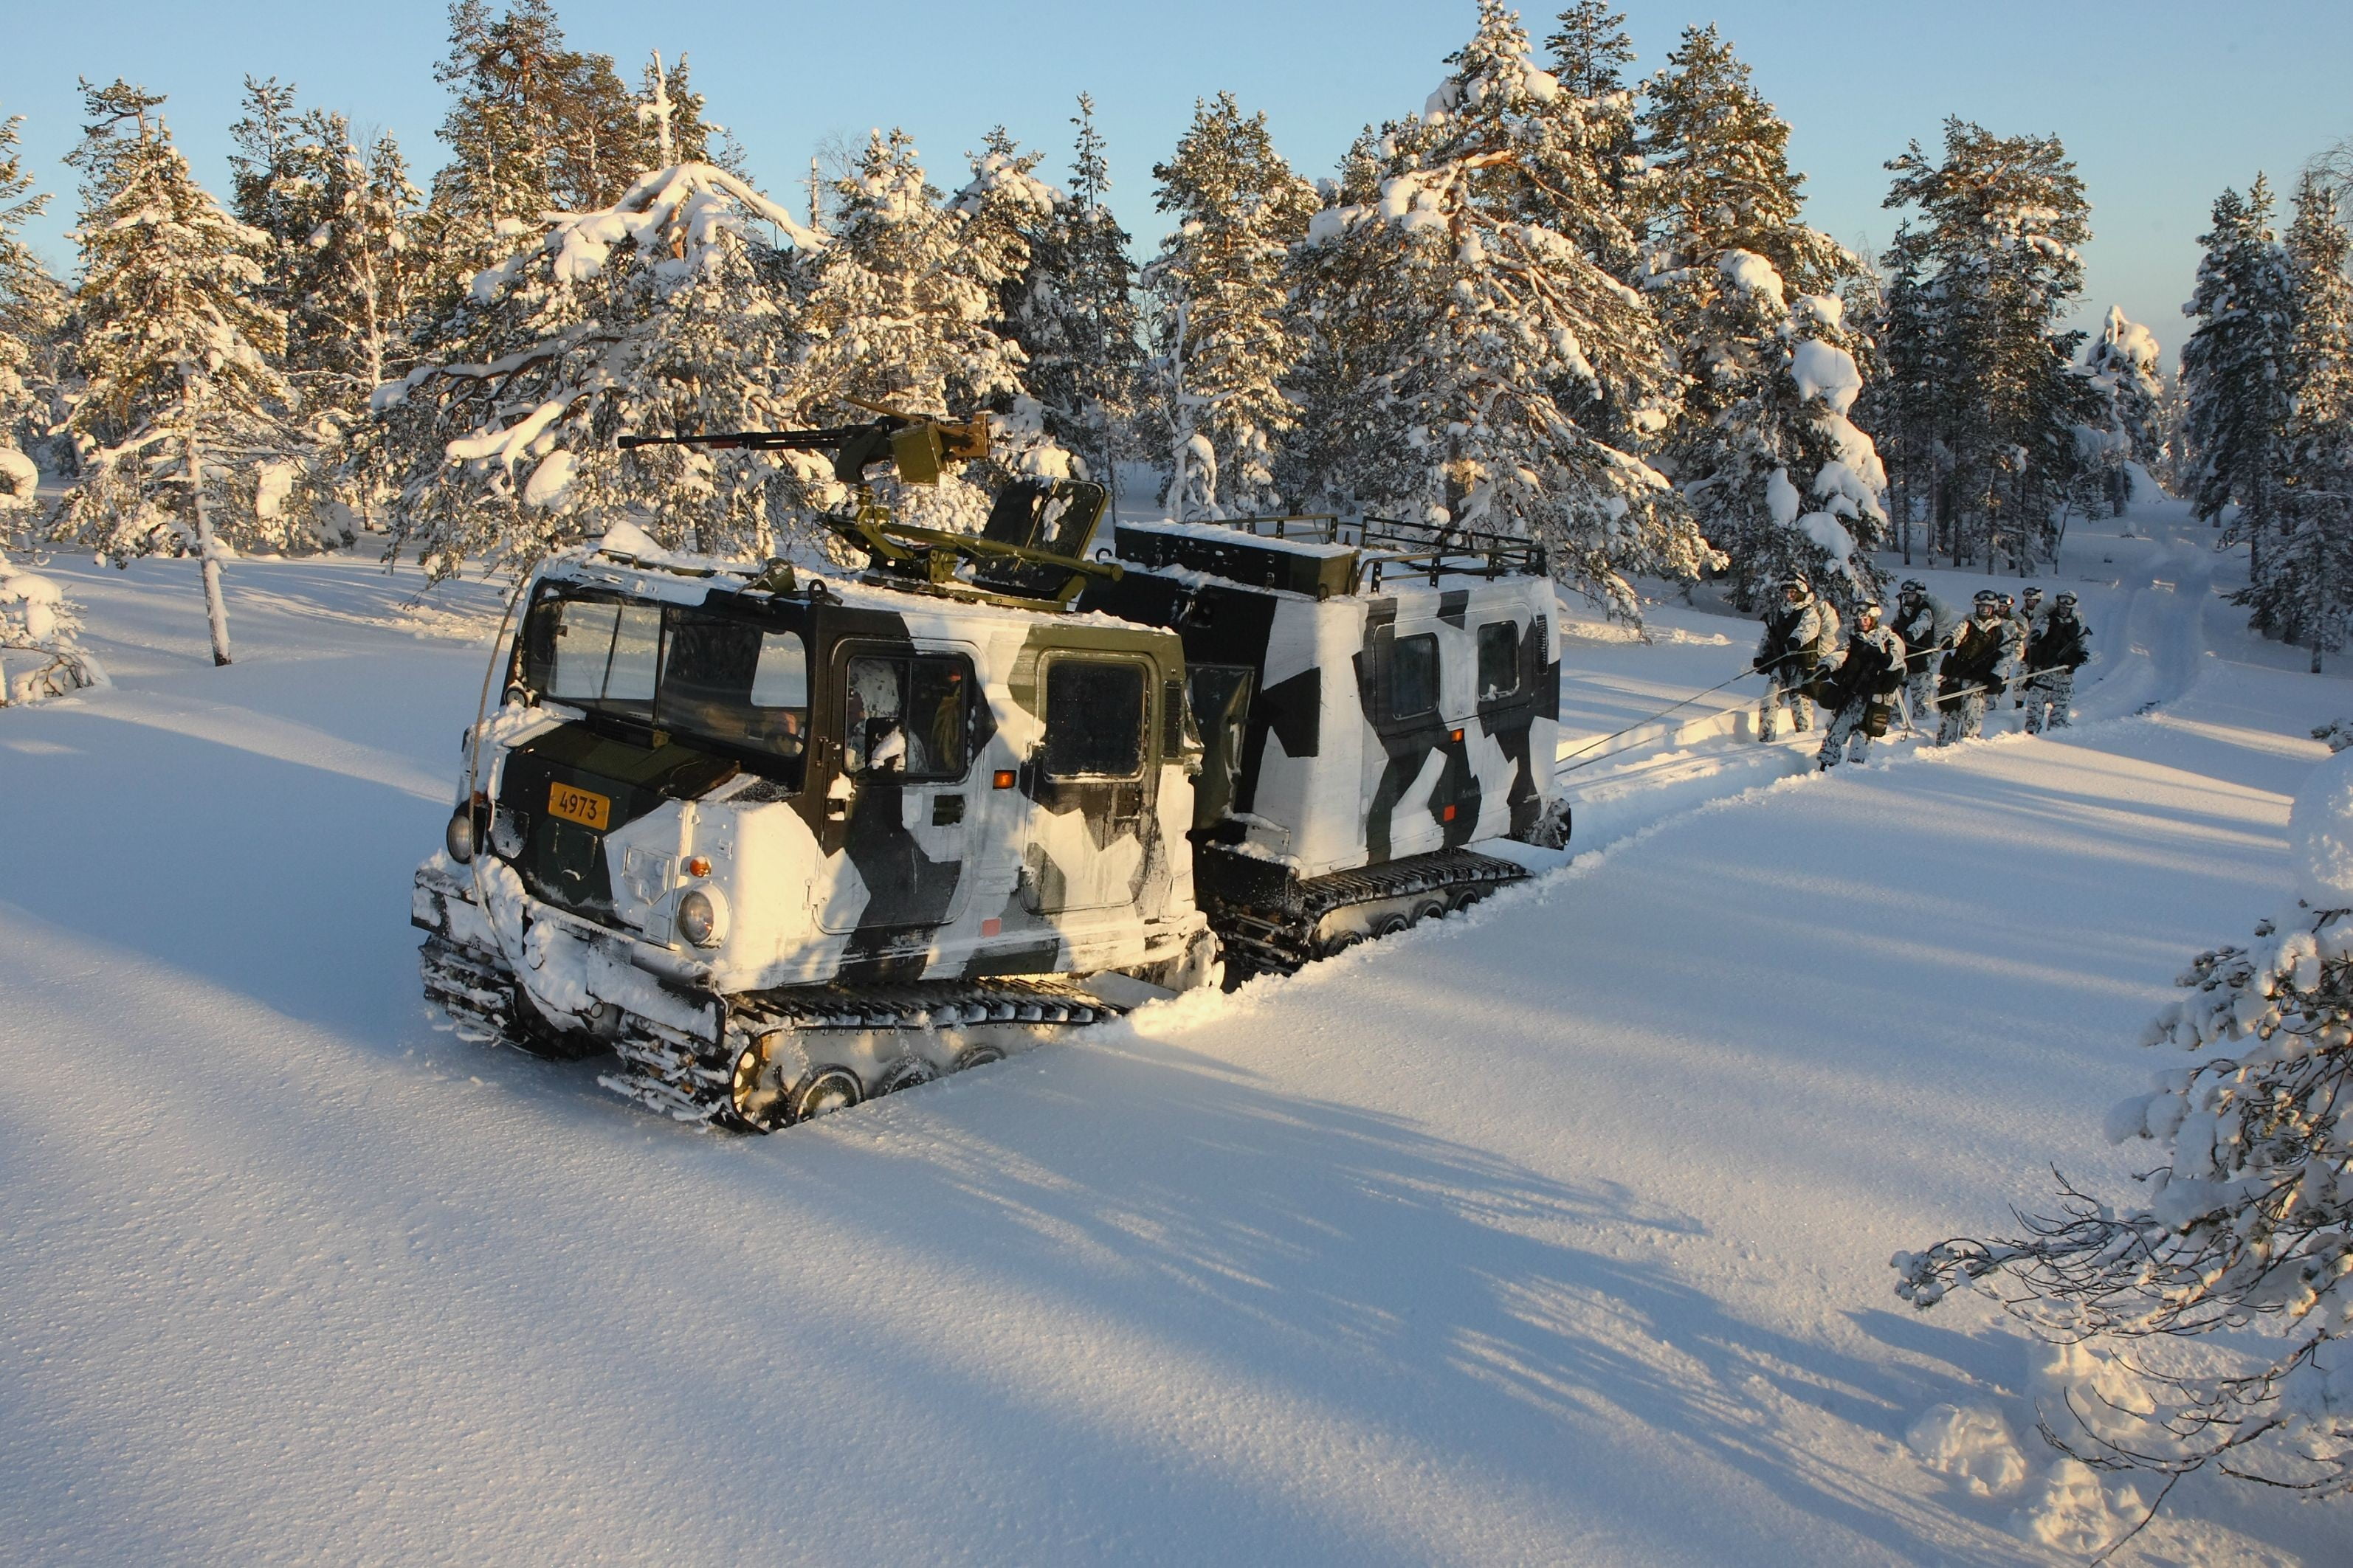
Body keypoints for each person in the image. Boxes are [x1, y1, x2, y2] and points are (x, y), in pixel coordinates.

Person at [1815, 601, 1907, 770]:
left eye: (1866, 618)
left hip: (1874, 697)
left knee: (1861, 736)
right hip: (1850, 695)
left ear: (1873, 617)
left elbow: (1900, 665)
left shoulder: (1888, 638)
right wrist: (1826, 666)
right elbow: (1839, 654)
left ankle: (1854, 773)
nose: (1862, 622)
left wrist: (1888, 660)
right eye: (1859, 619)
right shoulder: (1852, 638)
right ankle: (1825, 770)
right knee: (1835, 733)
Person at [1753, 574, 1825, 741]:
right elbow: (1768, 636)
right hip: (1781, 663)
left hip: (1802, 665)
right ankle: (1765, 739)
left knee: (1799, 703)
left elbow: (1808, 629)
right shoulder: (1779, 613)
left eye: (1793, 592)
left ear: (1801, 592)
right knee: (1769, 700)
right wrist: (1760, 657)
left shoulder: (1809, 611)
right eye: (1786, 592)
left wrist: (1795, 641)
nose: (1789, 596)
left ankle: (1804, 741)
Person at [1937, 590, 2009, 746]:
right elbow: (1956, 634)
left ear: (1994, 608)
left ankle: (1967, 751)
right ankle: (1942, 750)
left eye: (1988, 608)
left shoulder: (2000, 630)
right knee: (1949, 716)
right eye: (1981, 607)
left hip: (1978, 682)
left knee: (1972, 720)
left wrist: (1997, 676)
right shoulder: (1967, 623)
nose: (1984, 610)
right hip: (1957, 677)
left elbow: (2008, 656)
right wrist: (1949, 641)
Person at [1889, 578, 1954, 733]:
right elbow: (1892, 627)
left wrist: (1911, 635)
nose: (1908, 598)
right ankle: (1894, 726)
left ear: (1919, 595)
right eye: (1906, 595)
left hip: (1920, 660)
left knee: (1921, 700)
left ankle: (1921, 730)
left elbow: (1922, 625)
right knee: (1894, 696)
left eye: (1911, 595)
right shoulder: (1901, 611)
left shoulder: (1925, 611)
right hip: (1902, 660)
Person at [2022, 592, 2092, 733]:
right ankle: (2031, 731)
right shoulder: (2048, 619)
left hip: (2065, 671)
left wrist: (2083, 654)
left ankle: (2056, 733)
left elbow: (2081, 642)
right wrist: (2036, 635)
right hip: (2044, 669)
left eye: (2068, 607)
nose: (2064, 610)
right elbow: (2040, 629)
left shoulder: (2077, 623)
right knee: (2036, 702)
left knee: (2062, 703)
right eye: (2062, 606)